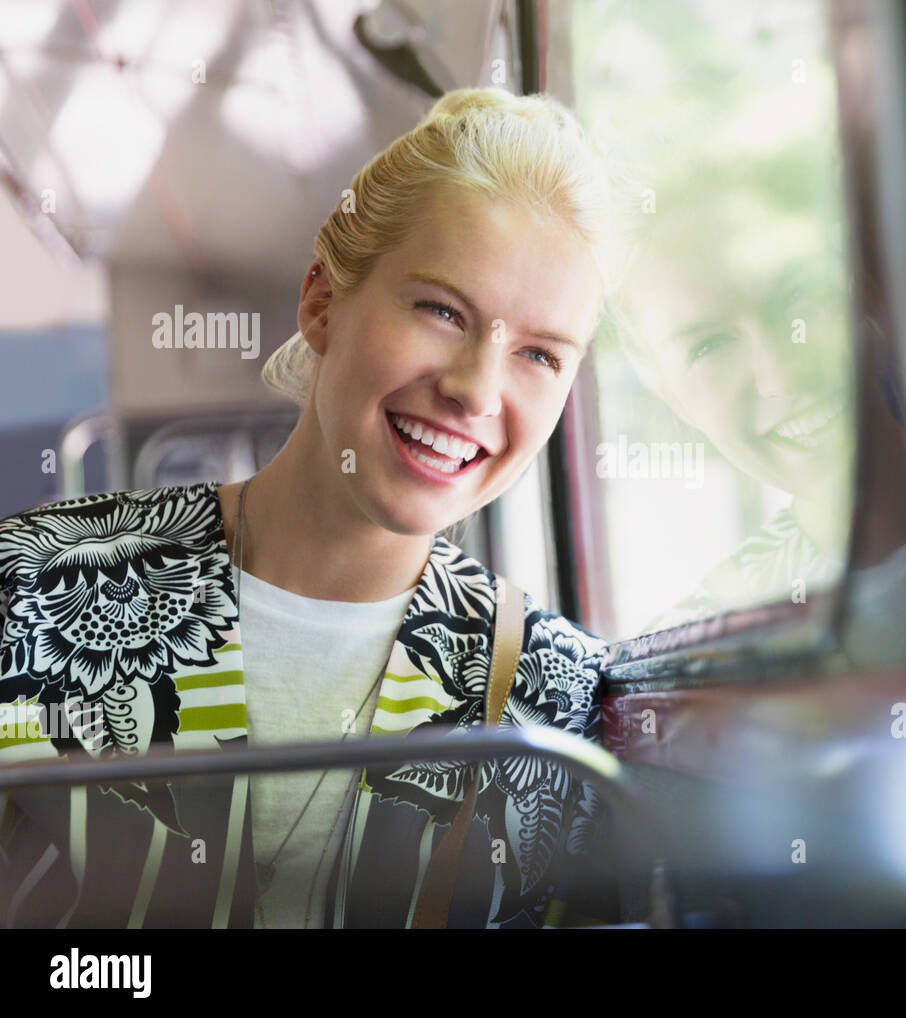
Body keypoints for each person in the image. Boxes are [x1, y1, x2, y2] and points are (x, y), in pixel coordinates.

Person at [0, 87, 621, 929]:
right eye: (442, 311)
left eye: (540, 355)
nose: (476, 389)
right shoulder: (28, 588)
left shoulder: (562, 698)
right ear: (322, 302)